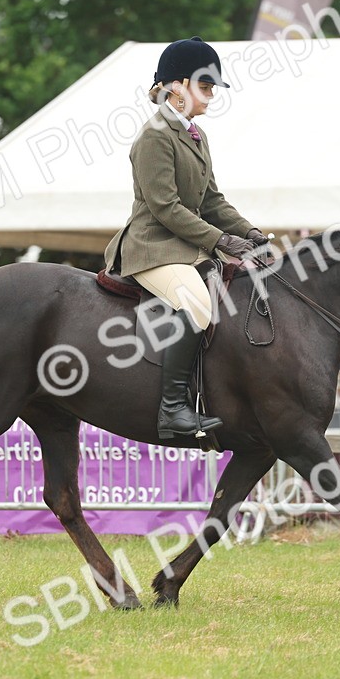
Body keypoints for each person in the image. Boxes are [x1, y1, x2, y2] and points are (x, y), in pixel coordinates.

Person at [103, 36, 265, 439]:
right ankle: (172, 410)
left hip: (183, 246)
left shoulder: (196, 135)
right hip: (152, 247)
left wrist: (249, 232)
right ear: (177, 87)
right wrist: (221, 242)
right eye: (205, 87)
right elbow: (166, 208)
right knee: (196, 303)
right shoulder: (154, 136)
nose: (210, 96)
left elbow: (212, 200)